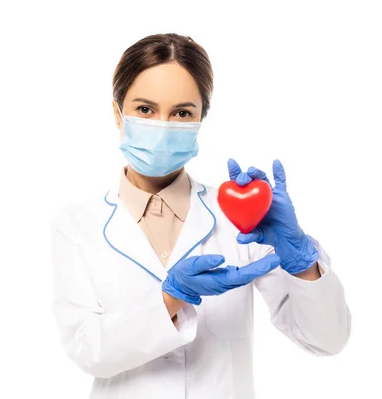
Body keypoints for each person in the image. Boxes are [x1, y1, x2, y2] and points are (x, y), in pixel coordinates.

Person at [50, 33, 351, 399]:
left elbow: (327, 341)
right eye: (145, 109)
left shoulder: (239, 219)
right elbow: (87, 350)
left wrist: (303, 260)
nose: (162, 125)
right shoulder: (78, 226)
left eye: (181, 113)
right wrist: (171, 297)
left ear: (200, 119)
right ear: (118, 114)